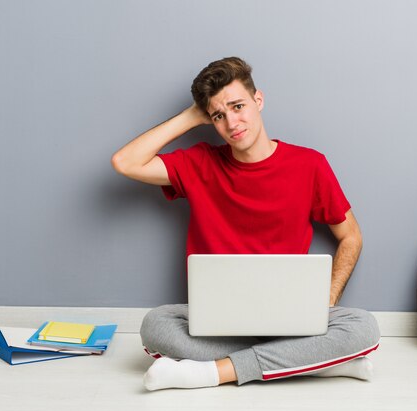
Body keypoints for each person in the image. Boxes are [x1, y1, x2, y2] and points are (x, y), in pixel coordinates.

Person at [111, 57, 380, 391]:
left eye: (238, 106)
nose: (232, 123)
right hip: (219, 321)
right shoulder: (200, 162)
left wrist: (327, 297)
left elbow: (351, 235)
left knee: (363, 326)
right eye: (219, 116)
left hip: (291, 318)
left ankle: (211, 373)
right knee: (157, 325)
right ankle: (309, 364)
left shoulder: (309, 164)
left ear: (259, 100)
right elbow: (124, 162)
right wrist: (192, 115)